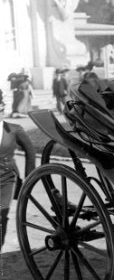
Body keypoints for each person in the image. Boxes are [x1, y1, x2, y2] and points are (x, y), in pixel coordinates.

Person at [0, 89, 36, 250]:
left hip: (6, 180)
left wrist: (29, 178)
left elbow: (30, 151)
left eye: (0, 109)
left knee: (2, 215)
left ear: (2, 108)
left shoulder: (14, 129)